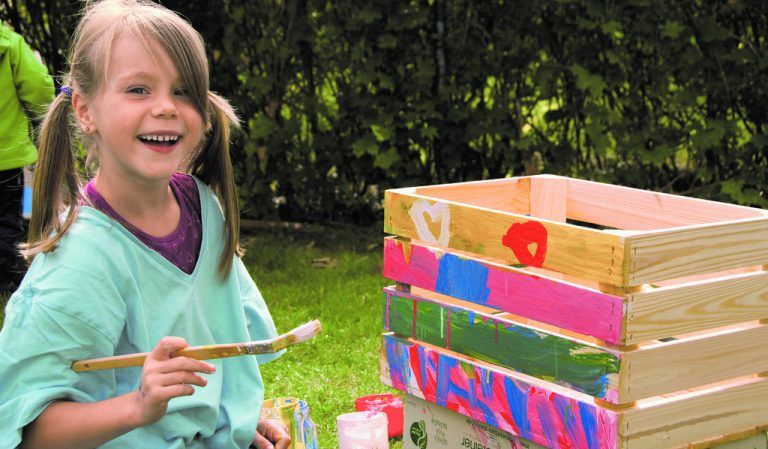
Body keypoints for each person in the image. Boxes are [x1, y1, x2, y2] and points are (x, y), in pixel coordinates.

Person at [0, 1, 291, 448]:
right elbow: (28, 431)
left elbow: (213, 343)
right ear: (85, 110)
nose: (166, 108)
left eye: (184, 91)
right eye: (138, 89)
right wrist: (138, 405)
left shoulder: (202, 206)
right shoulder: (79, 258)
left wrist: (229, 421)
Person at [0, 24, 54, 295]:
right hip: (6, 158)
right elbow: (38, 88)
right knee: (6, 220)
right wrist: (42, 119)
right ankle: (6, 283)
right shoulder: (10, 43)